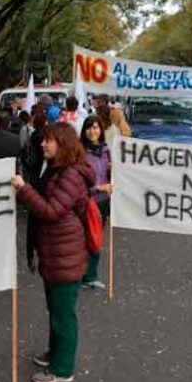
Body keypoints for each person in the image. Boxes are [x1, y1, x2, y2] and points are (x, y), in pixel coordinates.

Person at [12, 123, 95, 382]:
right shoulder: (58, 169)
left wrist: (23, 190)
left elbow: (50, 210)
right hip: (57, 255)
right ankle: (55, 353)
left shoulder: (70, 175)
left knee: (63, 315)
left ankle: (62, 368)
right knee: (56, 310)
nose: (42, 144)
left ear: (63, 144)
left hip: (64, 255)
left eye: (48, 141)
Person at [80, 116, 111, 290]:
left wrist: (112, 171)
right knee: (85, 239)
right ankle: (80, 276)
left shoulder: (106, 150)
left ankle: (90, 276)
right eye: (90, 128)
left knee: (97, 239)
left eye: (96, 128)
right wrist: (98, 188)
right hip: (87, 202)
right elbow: (77, 183)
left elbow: (111, 176)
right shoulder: (80, 152)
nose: (93, 131)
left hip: (104, 202)